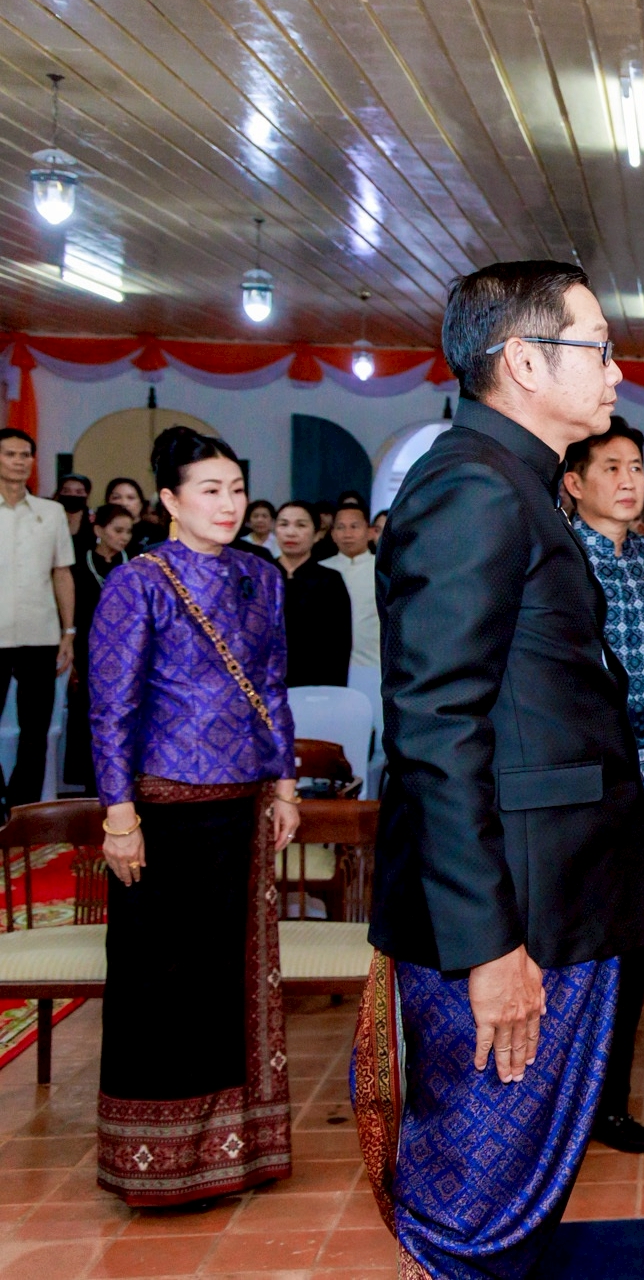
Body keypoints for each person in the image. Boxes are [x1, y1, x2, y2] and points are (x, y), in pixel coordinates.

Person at [358, 260, 644, 1278]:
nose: (618, 370)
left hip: (556, 890)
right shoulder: (471, 486)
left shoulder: (514, 481)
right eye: (599, 346)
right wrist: (489, 944)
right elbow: (436, 731)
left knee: (512, 1191)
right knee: (473, 1198)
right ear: (525, 362)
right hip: (510, 914)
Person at [90, 425, 299, 1205]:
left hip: (242, 813)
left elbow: (273, 684)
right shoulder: (138, 582)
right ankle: (158, 1166)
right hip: (163, 814)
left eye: (237, 489)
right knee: (160, 984)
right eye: (210, 490)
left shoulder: (260, 577)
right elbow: (110, 707)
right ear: (170, 501)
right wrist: (119, 815)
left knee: (234, 985)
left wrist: (283, 785)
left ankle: (238, 1151)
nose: (229, 503)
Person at [563, 419, 644, 1156]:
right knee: (573, 940)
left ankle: (609, 1103)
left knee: (633, 939)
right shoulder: (555, 556)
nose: (629, 479)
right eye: (610, 466)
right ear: (574, 482)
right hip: (578, 772)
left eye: (636, 465)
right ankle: (560, 1107)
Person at [0, 428, 76, 809]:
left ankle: (22, 808)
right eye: (10, 454)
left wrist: (69, 632)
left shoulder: (52, 512)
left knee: (37, 730)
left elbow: (62, 573)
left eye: (25, 455)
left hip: (41, 635)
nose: (18, 461)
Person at [62, 504, 131, 790]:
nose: (124, 537)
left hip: (127, 658)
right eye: (118, 530)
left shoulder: (135, 565)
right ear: (98, 530)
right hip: (88, 653)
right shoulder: (79, 563)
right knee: (87, 720)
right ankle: (89, 787)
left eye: (129, 531)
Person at [275, 501, 352, 687]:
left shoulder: (330, 581)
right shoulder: (261, 576)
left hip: (315, 686)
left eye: (301, 525)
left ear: (317, 534)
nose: (290, 532)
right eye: (283, 524)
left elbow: (339, 647)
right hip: (265, 689)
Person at [321, 502, 379, 684]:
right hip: (327, 667)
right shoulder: (321, 570)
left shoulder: (384, 570)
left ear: (370, 532)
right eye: (340, 527)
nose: (347, 534)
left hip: (375, 664)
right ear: (332, 534)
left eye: (354, 526)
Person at [57, 472, 94, 565]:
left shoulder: (94, 521)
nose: (72, 495)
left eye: (79, 492)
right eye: (66, 491)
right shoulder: (50, 518)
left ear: (87, 495)